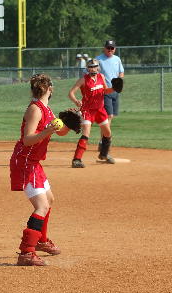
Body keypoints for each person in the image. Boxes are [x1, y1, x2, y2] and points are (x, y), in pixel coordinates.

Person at [10, 73, 70, 266]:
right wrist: (46, 131)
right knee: (41, 206)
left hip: (34, 162)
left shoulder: (47, 109)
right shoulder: (35, 109)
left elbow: (60, 131)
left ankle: (41, 240)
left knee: (49, 199)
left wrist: (69, 123)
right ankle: (26, 251)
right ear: (50, 89)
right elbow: (27, 139)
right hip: (25, 162)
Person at [67, 58, 117, 167]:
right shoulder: (83, 80)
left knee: (107, 133)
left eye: (95, 66)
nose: (93, 68)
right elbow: (71, 93)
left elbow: (105, 90)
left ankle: (104, 154)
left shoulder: (101, 77)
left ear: (98, 67)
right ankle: (76, 160)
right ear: (87, 68)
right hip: (87, 110)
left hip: (100, 110)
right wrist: (76, 101)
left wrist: (114, 88)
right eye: (90, 67)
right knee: (86, 134)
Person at [95, 40, 124, 150]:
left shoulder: (117, 59)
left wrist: (119, 81)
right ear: (104, 48)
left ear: (115, 49)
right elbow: (90, 72)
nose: (110, 50)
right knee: (108, 116)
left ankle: (103, 141)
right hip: (105, 91)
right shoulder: (99, 59)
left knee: (110, 116)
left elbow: (121, 72)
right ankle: (104, 141)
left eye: (112, 48)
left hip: (115, 91)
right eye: (108, 48)